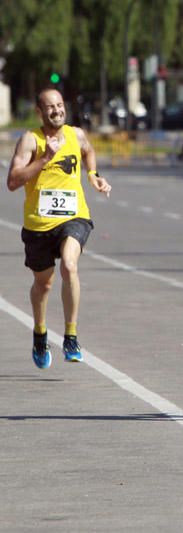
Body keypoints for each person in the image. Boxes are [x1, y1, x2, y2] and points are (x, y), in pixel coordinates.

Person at [6, 88, 112, 369]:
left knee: (69, 265)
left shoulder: (76, 134)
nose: (57, 110)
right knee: (44, 284)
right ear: (40, 112)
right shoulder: (31, 140)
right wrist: (43, 160)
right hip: (39, 224)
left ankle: (71, 335)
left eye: (60, 105)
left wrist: (94, 176)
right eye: (50, 107)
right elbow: (13, 181)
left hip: (73, 216)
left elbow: (88, 150)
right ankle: (40, 333)